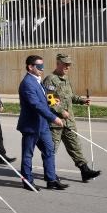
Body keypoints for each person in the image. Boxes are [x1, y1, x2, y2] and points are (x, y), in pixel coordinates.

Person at [43, 53, 101, 182]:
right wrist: (60, 111)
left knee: (74, 145)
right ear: (58, 63)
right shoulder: (50, 79)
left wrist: (81, 100)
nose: (67, 66)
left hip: (69, 121)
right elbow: (48, 99)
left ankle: (84, 170)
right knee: (52, 149)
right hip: (55, 122)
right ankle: (50, 174)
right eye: (65, 64)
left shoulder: (66, 79)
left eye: (69, 64)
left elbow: (70, 96)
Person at [17, 55, 68, 191]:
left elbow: (45, 96)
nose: (42, 69)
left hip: (42, 125)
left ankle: (51, 180)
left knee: (49, 150)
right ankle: (27, 181)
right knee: (28, 154)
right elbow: (36, 105)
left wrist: (54, 102)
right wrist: (54, 118)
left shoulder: (37, 81)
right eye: (39, 66)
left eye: (43, 66)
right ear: (30, 67)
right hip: (31, 125)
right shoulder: (27, 83)